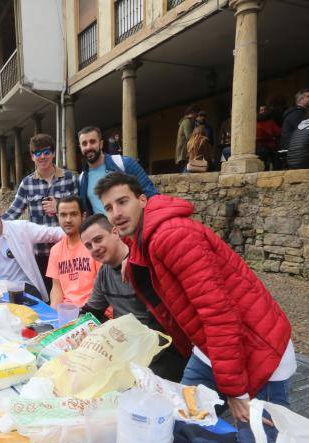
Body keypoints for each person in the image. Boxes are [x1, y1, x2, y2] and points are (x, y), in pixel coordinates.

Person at [94, 172, 295, 422]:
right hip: (212, 351)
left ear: (143, 200)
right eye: (109, 208)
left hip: (259, 352)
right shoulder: (147, 239)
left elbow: (219, 314)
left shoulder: (173, 237)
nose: (116, 213)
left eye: (123, 202)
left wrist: (236, 391)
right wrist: (133, 257)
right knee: (180, 426)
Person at [80, 214, 188, 381]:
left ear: (115, 232)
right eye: (89, 245)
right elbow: (90, 313)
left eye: (98, 239)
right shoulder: (104, 272)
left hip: (159, 352)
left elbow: (162, 325)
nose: (95, 248)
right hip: (124, 349)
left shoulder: (142, 265)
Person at [3, 133, 79, 292]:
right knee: (47, 292)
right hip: (40, 251)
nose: (42, 157)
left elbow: (80, 209)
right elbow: (13, 211)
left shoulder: (69, 178)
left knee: (69, 292)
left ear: (53, 154)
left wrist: (58, 207)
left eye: (46, 152)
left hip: (68, 248)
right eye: (37, 153)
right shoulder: (27, 183)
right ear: (32, 157)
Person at [0, 193, 64, 302]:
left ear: (0, 211)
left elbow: (52, 233)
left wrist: (81, 233)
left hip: (25, 288)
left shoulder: (21, 229)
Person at [77, 125, 157, 215]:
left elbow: (151, 196)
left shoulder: (125, 164)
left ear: (101, 144)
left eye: (92, 142)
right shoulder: (82, 179)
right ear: (80, 148)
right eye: (84, 144)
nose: (88, 147)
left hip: (131, 227)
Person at [47, 196, 100, 308]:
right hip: (67, 312)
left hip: (94, 311)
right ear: (57, 217)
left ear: (83, 216)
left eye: (74, 214)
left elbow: (103, 286)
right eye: (63, 215)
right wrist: (53, 316)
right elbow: (57, 289)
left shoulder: (95, 246)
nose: (68, 220)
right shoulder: (55, 250)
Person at [255, 105, 281, 170]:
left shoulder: (270, 122)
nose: (263, 112)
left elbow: (278, 131)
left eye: (265, 110)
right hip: (265, 147)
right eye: (261, 110)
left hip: (262, 147)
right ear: (258, 111)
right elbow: (278, 132)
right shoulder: (255, 122)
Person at [175, 106, 199, 171]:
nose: (197, 116)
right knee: (185, 173)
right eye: (197, 113)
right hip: (184, 153)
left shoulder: (188, 121)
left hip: (184, 153)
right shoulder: (187, 122)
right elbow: (189, 136)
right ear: (192, 112)